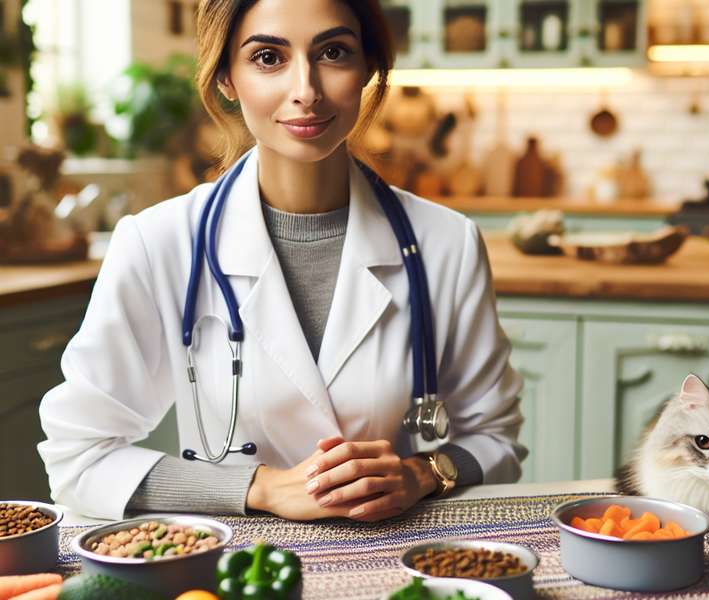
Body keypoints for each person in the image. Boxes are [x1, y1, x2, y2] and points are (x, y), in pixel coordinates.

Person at [38, 0, 526, 522]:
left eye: (333, 52)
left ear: (370, 68)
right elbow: (80, 456)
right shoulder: (156, 243)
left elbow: (495, 437)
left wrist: (422, 473)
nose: (306, 90)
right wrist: (261, 488)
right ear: (226, 76)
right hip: (230, 569)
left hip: (393, 561)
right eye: (268, 57)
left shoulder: (447, 243)